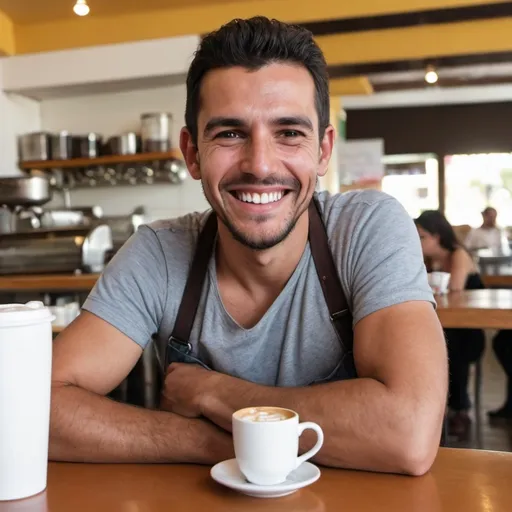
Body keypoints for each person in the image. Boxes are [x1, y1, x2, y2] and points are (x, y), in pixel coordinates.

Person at [49, 17, 447, 475]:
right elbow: (39, 409)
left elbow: (409, 434)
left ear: (322, 151)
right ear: (192, 153)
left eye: (289, 133)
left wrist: (215, 393)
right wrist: (209, 439)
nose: (259, 164)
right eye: (230, 133)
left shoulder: (365, 228)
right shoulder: (157, 254)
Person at [415, 210, 484, 439]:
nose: (418, 241)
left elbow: (454, 289)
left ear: (438, 236)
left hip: (469, 331)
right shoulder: (425, 261)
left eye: (422, 236)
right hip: (442, 327)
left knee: (450, 347)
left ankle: (460, 411)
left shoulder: (458, 255)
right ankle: (431, 411)